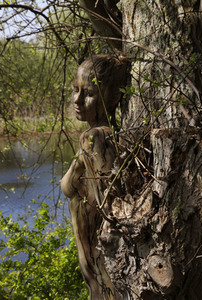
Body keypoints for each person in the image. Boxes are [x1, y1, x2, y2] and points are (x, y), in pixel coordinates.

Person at [61, 54, 130, 299]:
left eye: (88, 93)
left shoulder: (97, 139)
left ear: (114, 98)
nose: (77, 99)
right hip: (95, 270)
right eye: (75, 90)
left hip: (104, 269)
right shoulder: (97, 137)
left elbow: (109, 209)